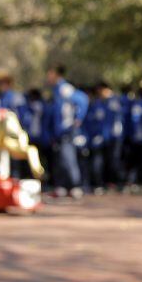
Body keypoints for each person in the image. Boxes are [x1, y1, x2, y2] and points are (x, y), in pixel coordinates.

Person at [46, 64, 88, 199]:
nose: (48, 77)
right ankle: (62, 187)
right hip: (59, 132)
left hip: (67, 131)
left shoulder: (64, 88)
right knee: (60, 160)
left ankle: (75, 186)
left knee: (68, 158)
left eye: (50, 73)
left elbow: (82, 99)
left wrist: (78, 119)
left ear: (57, 74)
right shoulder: (56, 90)